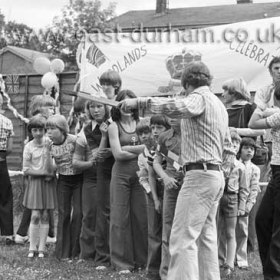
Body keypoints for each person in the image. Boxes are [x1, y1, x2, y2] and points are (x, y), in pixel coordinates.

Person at [119, 61, 233, 280]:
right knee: (204, 238)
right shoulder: (218, 104)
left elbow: (176, 107)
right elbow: (228, 147)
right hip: (215, 175)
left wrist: (138, 102)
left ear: (187, 82)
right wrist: (221, 175)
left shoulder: (198, 98)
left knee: (182, 238)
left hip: (199, 175)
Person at [108, 89, 148, 274]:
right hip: (121, 175)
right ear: (118, 105)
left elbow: (151, 147)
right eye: (122, 103)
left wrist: (130, 147)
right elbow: (118, 154)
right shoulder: (113, 126)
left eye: (130, 103)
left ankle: (142, 260)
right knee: (119, 217)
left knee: (141, 217)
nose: (126, 107)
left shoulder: (142, 123)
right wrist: (141, 149)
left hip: (142, 174)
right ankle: (122, 263)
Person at [72, 100, 111, 265]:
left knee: (108, 216)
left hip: (113, 174)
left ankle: (107, 253)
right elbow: (94, 157)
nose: (95, 110)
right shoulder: (86, 130)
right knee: (89, 215)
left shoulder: (114, 124)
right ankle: (87, 254)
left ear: (106, 107)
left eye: (99, 106)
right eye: (92, 107)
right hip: (92, 176)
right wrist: (92, 162)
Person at [249, 81, 280, 280]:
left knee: (277, 226)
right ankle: (271, 271)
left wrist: (262, 107)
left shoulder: (278, 115)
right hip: (277, 170)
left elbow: (252, 123)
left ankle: (273, 274)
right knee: (263, 220)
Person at [15, 94, 56, 245]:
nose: (53, 109)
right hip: (37, 167)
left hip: (38, 166)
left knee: (37, 203)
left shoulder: (42, 121)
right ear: (40, 108)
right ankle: (49, 234)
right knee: (41, 203)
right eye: (50, 107)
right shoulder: (43, 122)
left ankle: (23, 233)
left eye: (53, 107)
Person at [136, 115, 170, 279]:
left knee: (168, 233)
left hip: (171, 188)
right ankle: (153, 271)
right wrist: (155, 198)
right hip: (154, 190)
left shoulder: (170, 146)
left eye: (159, 128)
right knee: (154, 232)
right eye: (153, 128)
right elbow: (149, 175)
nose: (155, 131)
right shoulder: (149, 150)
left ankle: (168, 270)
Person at [46, 114, 83, 260]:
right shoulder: (49, 145)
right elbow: (51, 169)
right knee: (64, 214)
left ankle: (76, 251)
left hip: (79, 179)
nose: (48, 132)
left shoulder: (74, 140)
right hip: (63, 181)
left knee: (79, 213)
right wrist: (48, 155)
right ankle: (62, 252)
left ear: (62, 129)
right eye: (47, 129)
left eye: (52, 128)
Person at [153, 118, 183, 280]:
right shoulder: (164, 137)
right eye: (170, 114)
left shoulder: (193, 132)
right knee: (168, 230)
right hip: (171, 186)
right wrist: (165, 177)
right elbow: (157, 161)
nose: (172, 118)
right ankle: (166, 275)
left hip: (191, 184)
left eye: (176, 114)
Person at [22, 115, 56, 258]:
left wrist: (51, 170)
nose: (38, 133)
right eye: (34, 130)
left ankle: (42, 248)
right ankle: (32, 247)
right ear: (31, 132)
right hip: (36, 182)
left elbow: (54, 165)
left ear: (44, 130)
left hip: (48, 183)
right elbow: (26, 169)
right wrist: (43, 173)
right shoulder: (28, 146)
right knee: (35, 214)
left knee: (46, 215)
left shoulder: (50, 143)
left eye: (40, 129)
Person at [217, 129, 248, 277]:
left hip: (232, 198)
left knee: (230, 232)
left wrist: (242, 206)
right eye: (231, 142)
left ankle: (229, 265)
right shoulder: (218, 163)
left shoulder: (241, 167)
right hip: (217, 196)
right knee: (214, 230)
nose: (234, 145)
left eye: (237, 142)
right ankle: (215, 262)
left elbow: (244, 189)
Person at [235, 137, 260, 269]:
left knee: (242, 231)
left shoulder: (255, 169)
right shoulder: (234, 164)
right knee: (227, 230)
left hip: (245, 204)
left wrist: (248, 206)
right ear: (240, 149)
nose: (249, 151)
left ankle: (241, 259)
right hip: (232, 201)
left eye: (252, 149)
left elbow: (254, 189)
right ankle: (226, 258)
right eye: (246, 148)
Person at [0, 93, 14, 244]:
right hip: (1, 159)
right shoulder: (7, 122)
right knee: (4, 196)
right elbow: (10, 148)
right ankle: (7, 234)